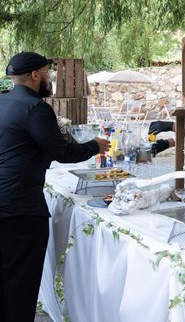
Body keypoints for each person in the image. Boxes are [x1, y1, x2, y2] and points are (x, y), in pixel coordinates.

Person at [0, 52, 110, 322]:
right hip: (20, 210)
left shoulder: (2, 102)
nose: (50, 80)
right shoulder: (35, 108)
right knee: (20, 287)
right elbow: (63, 152)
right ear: (36, 76)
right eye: (48, 73)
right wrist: (95, 145)